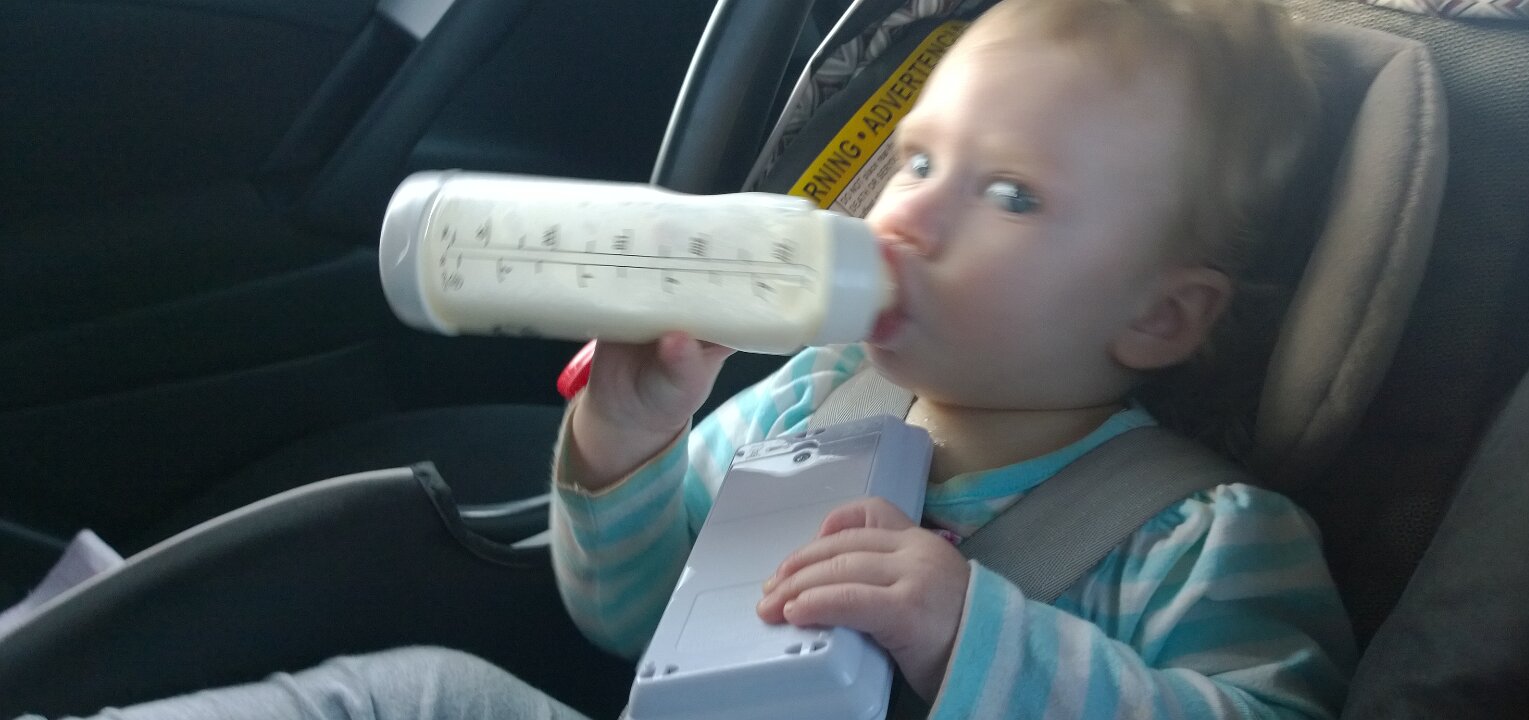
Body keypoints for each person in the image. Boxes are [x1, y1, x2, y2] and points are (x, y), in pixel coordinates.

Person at [28, 0, 1354, 717]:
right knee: (422, 692)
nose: (909, 215)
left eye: (1011, 196)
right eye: (919, 161)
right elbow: (631, 616)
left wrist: (970, 634)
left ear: (1160, 317)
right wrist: (629, 442)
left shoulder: (1197, 538)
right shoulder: (814, 400)